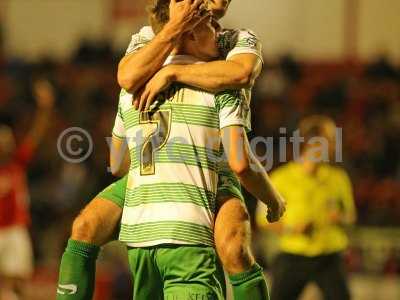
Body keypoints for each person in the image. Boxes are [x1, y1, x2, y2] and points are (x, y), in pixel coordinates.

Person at [56, 1, 278, 299]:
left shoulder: (237, 38)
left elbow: (242, 72)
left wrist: (174, 72)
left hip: (211, 163)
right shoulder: (150, 35)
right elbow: (126, 78)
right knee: (85, 225)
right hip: (153, 168)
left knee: (233, 247)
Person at [256, 115, 356, 300]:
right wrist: (291, 229)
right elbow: (262, 220)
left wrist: (340, 218)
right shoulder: (280, 177)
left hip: (329, 254)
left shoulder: (338, 178)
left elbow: (351, 216)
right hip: (293, 253)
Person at [0, 80, 54, 300]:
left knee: (18, 283)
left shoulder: (17, 162)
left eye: (7, 140)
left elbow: (37, 134)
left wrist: (46, 107)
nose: (5, 144)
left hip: (15, 230)